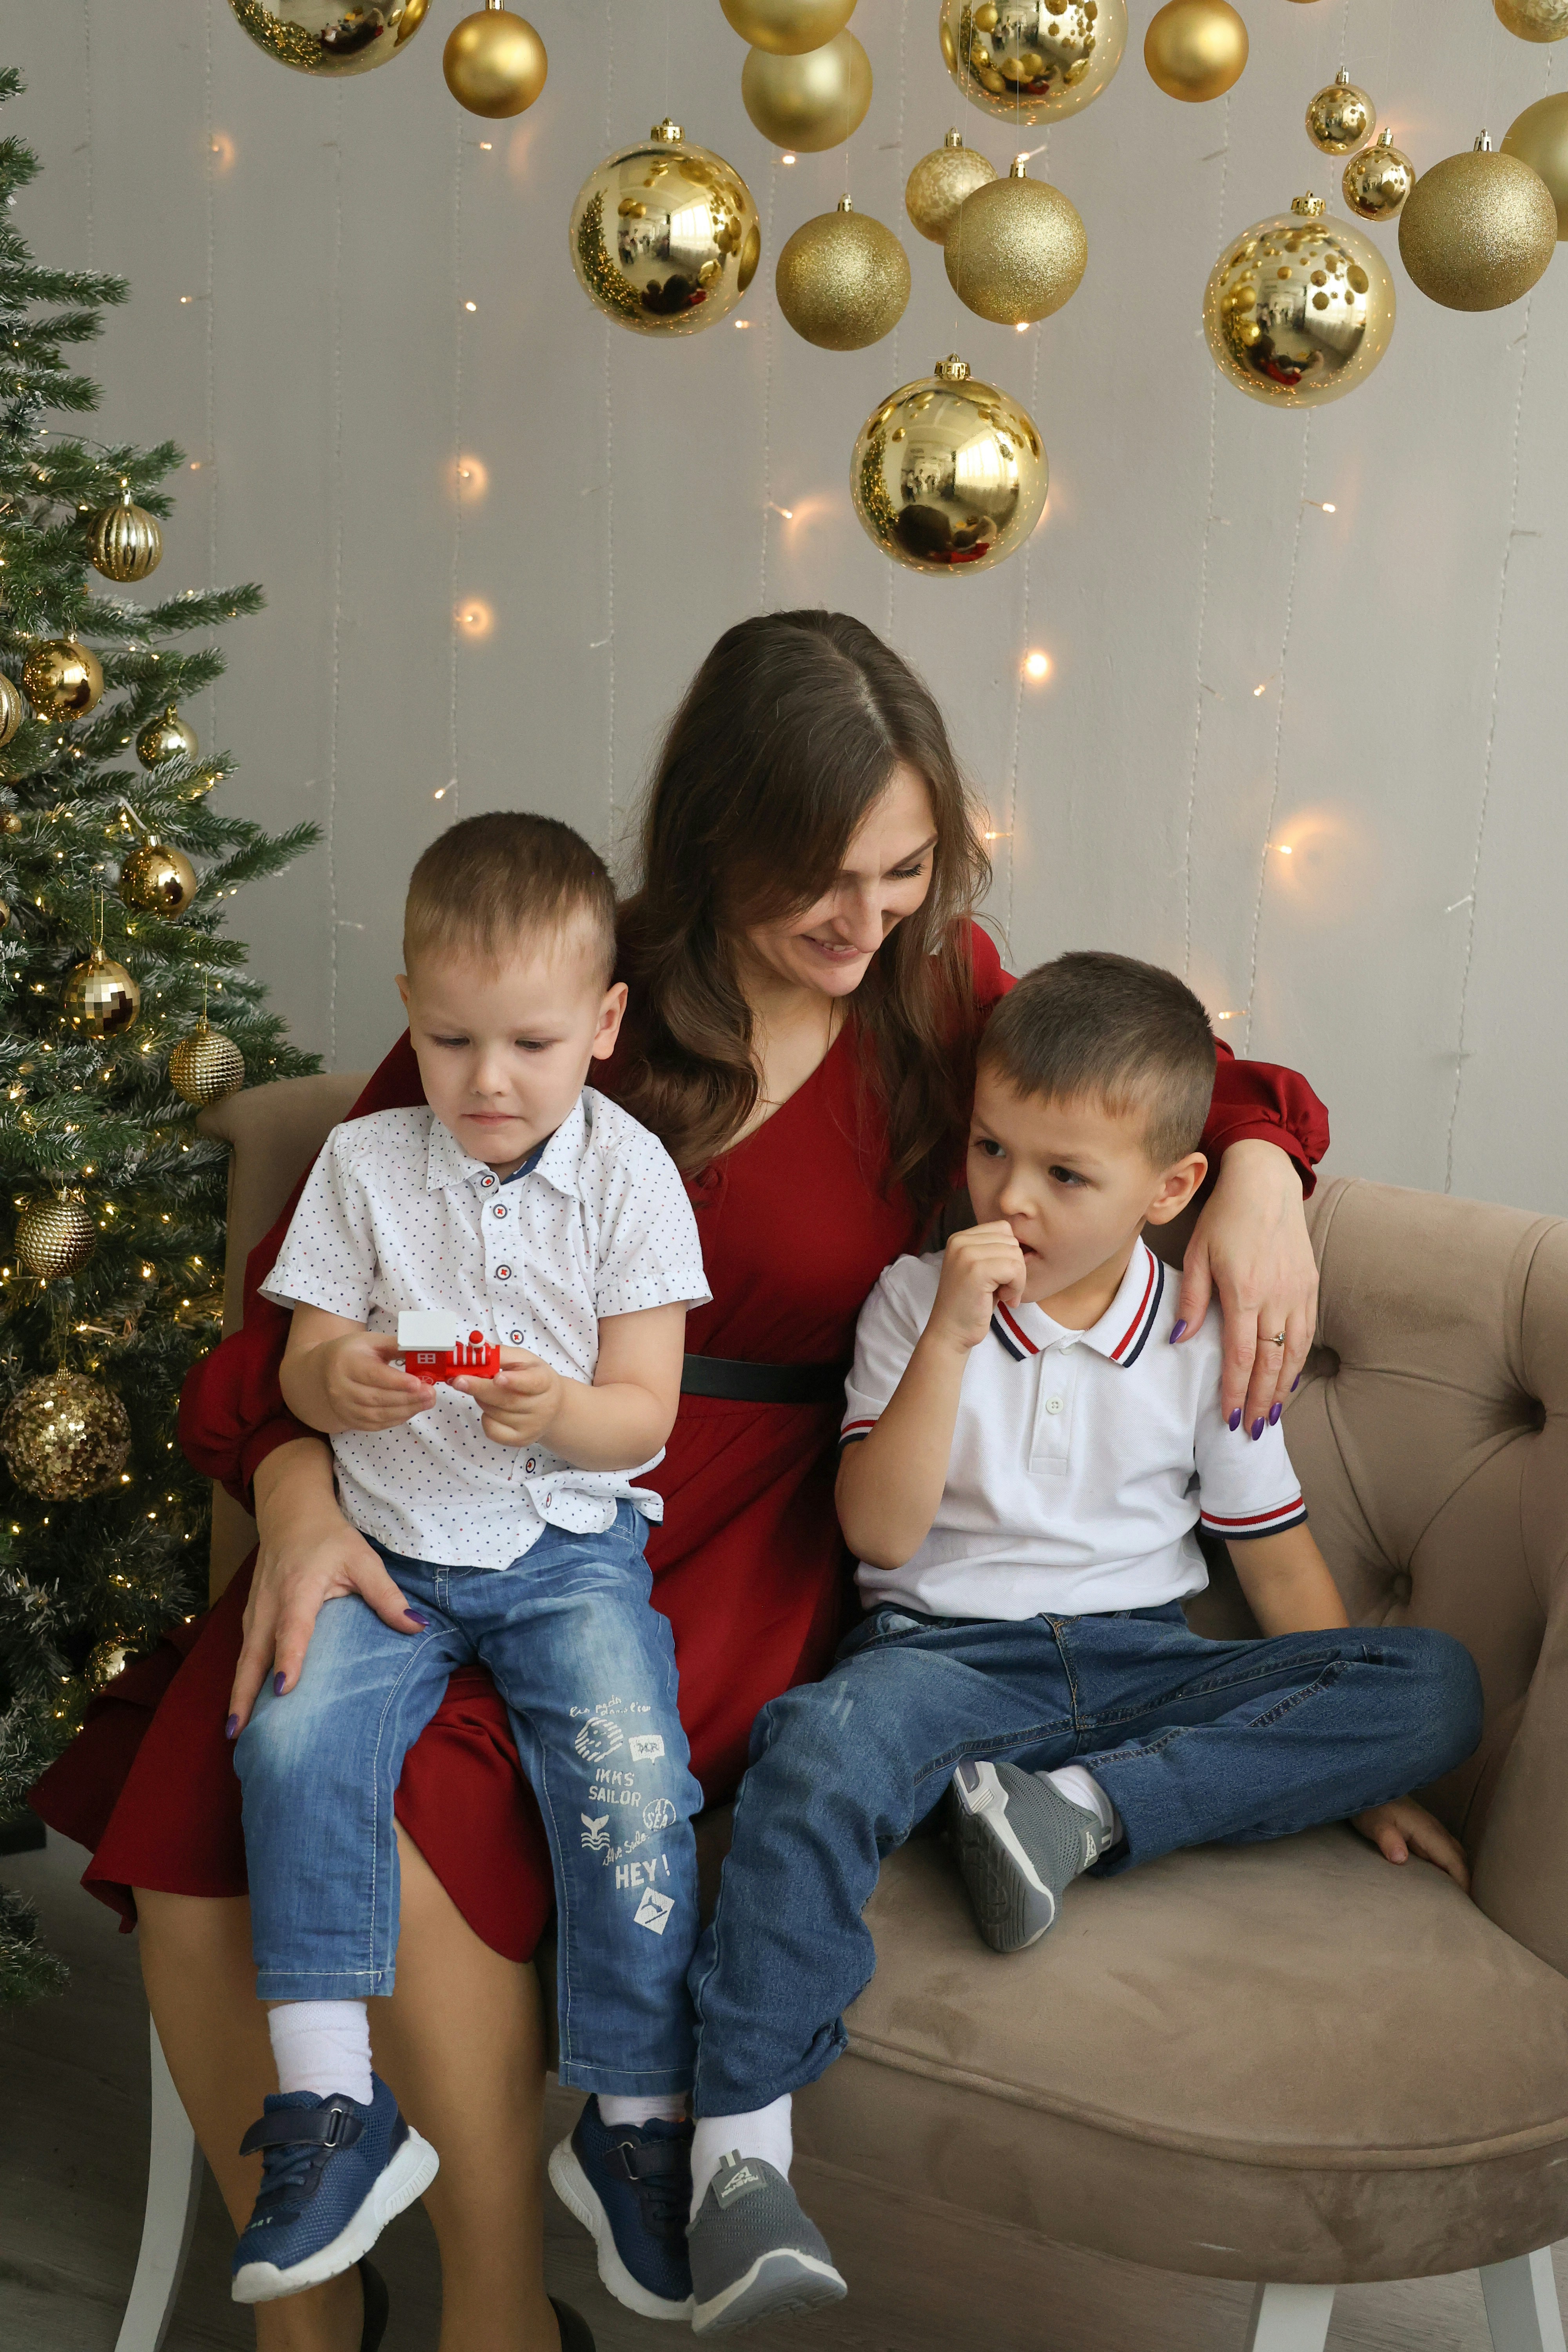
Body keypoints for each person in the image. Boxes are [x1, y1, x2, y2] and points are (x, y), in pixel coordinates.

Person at [33, 612, 1331, 2352]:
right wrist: (294, 1498)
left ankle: (499, 2312)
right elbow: (319, 1265)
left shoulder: (938, 996)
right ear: (716, 836)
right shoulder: (564, 991)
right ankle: (312, 2317)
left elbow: (1151, 1078)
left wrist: (1257, 1169)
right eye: (820, 879)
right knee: (209, 1799)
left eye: (903, 870)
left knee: (425, 1819)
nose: (863, 922)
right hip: (435, 1474)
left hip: (718, 1529)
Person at [679, 952, 1484, 2337]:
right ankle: (740, 2160)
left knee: (1433, 1683)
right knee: (815, 1750)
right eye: (994, 1151)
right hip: (939, 1662)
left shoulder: (1197, 1333)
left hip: (1137, 1667)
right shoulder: (906, 1301)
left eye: (1066, 1176)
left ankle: (1071, 1820)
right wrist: (945, 1336)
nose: (1011, 1199)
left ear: (1170, 1192)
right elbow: (878, 1533)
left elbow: (1276, 1559)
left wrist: (1349, 1767)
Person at [224, 814, 710, 2317]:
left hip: (568, 1547)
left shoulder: (635, 1180)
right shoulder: (368, 1167)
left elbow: (648, 1409)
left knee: (631, 1768)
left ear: (606, 1028)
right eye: (449, 1041)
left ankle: (633, 2121)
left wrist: (567, 1414)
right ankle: (329, 2102)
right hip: (392, 1543)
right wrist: (339, 1387)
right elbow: (302, 1361)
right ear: (410, 1016)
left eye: (530, 1043)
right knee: (291, 1729)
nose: (487, 1081)